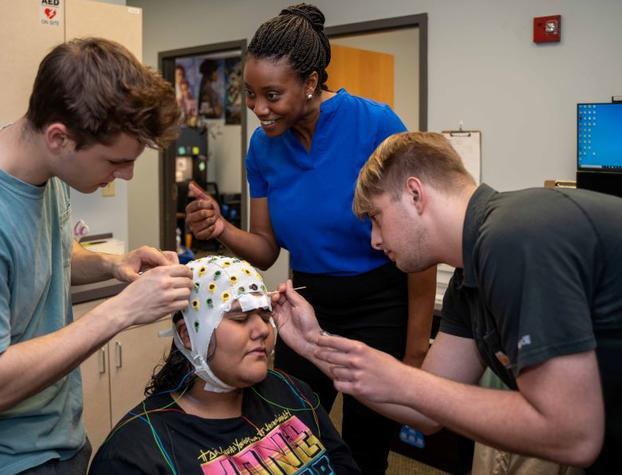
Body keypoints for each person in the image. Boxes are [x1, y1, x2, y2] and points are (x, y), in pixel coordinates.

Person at [0, 37, 193, 475]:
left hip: (60, 442)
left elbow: (47, 252)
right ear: (59, 137)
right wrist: (120, 311)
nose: (127, 175)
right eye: (116, 161)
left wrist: (111, 264)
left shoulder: (44, 169)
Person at [273, 131, 622, 473]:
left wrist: (401, 378)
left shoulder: (513, 237)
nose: (375, 241)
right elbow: (426, 414)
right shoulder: (468, 277)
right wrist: (312, 344)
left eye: (376, 218)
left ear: (414, 194)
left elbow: (572, 434)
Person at [185, 4, 436, 472]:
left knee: (366, 448)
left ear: (311, 82)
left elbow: (422, 247)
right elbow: (265, 247)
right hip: (306, 304)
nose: (259, 108)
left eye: (273, 95)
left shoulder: (376, 125)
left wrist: (415, 351)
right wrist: (221, 230)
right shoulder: (263, 146)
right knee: (289, 433)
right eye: (251, 94)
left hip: (380, 304)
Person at [89, 256, 359, 474]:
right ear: (188, 335)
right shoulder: (134, 455)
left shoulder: (291, 391)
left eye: (265, 315)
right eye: (240, 318)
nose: (261, 330)